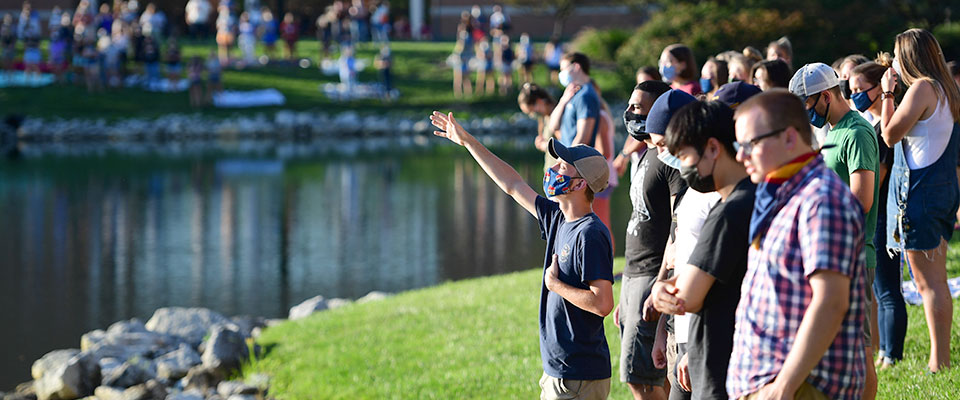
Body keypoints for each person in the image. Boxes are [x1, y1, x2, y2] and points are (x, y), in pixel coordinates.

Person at [429, 111, 615, 400]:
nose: (554, 169)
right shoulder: (558, 218)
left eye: (562, 167)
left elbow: (603, 303)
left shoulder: (589, 234)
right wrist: (468, 142)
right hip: (560, 370)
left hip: (578, 375)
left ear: (580, 184)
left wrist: (556, 286)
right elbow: (512, 185)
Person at [729, 89, 866, 400]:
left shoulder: (821, 199)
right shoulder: (785, 193)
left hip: (802, 386)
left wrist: (784, 386)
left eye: (749, 144)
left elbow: (831, 302)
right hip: (772, 382)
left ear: (790, 138)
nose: (740, 156)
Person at [651, 100, 755, 400]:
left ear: (712, 148)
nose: (684, 167)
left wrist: (660, 291)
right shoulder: (755, 196)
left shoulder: (728, 212)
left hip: (723, 368)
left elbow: (686, 296)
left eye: (684, 156)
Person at [789, 62, 879, 400]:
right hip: (831, 255)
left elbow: (862, 199)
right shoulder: (832, 130)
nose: (807, 113)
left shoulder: (856, 132)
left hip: (853, 255)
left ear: (826, 96)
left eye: (808, 105)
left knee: (859, 348)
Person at [879, 29, 960, 373]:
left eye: (897, 55)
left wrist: (887, 92)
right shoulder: (945, 88)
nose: (894, 62)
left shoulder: (922, 88)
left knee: (928, 284)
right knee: (937, 281)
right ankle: (940, 358)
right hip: (940, 191)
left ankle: (938, 361)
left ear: (909, 57)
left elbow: (889, 134)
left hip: (920, 195)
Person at [617, 87, 692, 400]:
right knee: (651, 374)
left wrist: (657, 286)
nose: (631, 113)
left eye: (638, 107)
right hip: (635, 274)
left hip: (652, 274)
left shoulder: (671, 162)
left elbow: (677, 228)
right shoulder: (649, 153)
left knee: (642, 378)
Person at [849, 60, 903, 370]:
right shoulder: (872, 126)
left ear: (877, 88)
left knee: (887, 288)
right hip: (879, 217)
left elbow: (878, 177)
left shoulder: (882, 130)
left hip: (883, 216)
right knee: (879, 290)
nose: (854, 95)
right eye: (851, 89)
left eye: (860, 89)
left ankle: (891, 353)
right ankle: (884, 351)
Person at [552, 52, 601, 148]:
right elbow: (553, 126)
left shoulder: (586, 95)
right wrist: (563, 101)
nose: (561, 74)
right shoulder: (572, 93)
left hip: (575, 157)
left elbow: (583, 137)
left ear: (576, 66)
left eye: (563, 69)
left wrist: (569, 155)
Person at [518, 82, 559, 171]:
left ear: (539, 101)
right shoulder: (545, 118)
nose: (532, 115)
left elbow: (565, 146)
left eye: (532, 111)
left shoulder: (557, 117)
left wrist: (545, 146)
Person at [450, 30, 473, 98]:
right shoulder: (461, 44)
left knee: (464, 79)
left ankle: (466, 94)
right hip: (460, 63)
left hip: (463, 63)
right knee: (459, 80)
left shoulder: (464, 44)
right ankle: (459, 94)